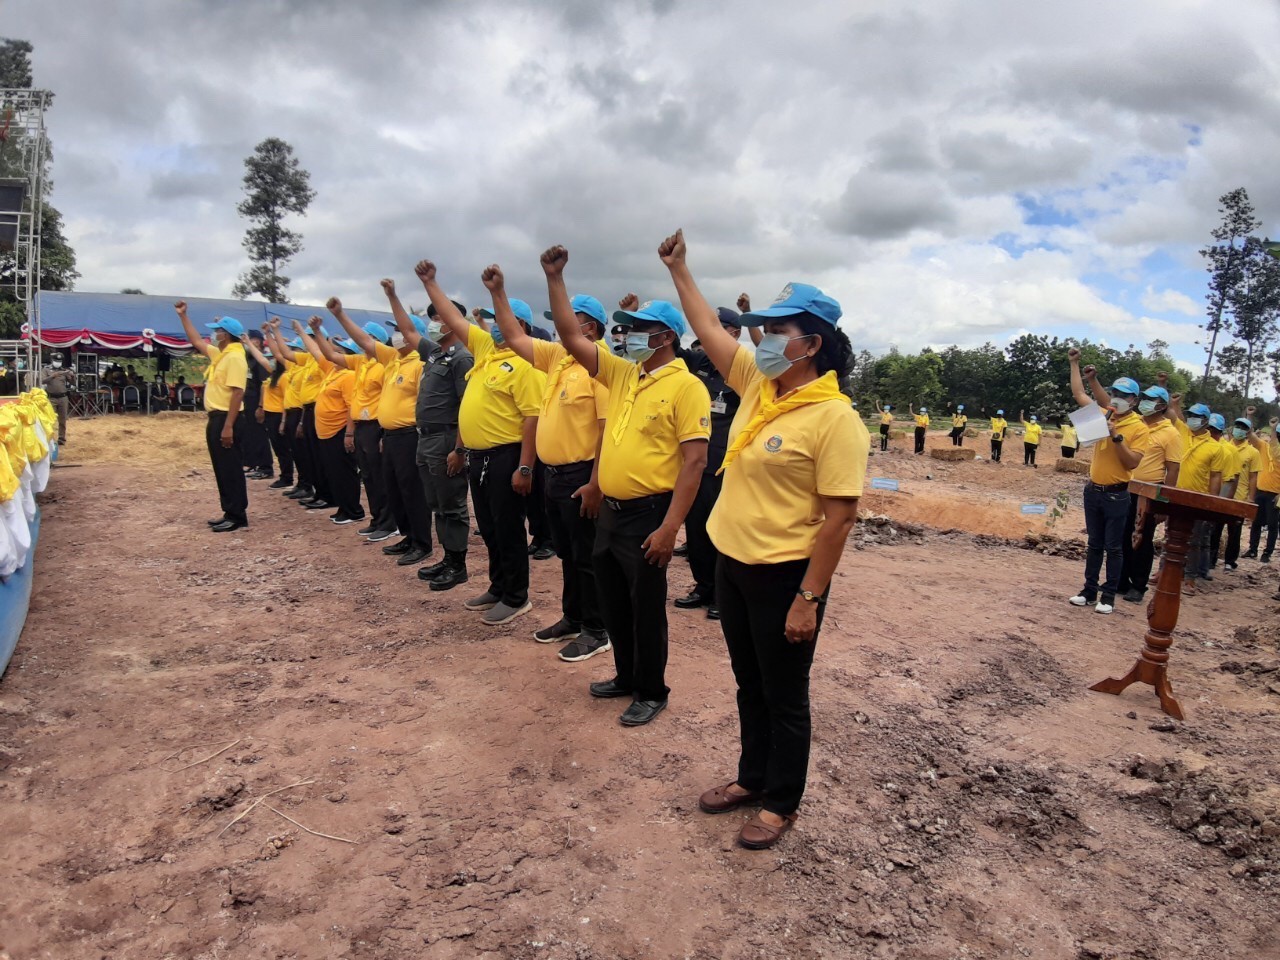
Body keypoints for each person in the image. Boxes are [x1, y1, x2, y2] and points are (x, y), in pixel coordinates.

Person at [662, 229, 867, 850]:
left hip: (785, 577)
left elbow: (839, 519)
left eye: (779, 331)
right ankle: (752, 778)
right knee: (748, 683)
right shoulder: (759, 384)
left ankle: (782, 802)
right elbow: (711, 329)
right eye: (766, 330)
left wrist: (809, 598)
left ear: (812, 344)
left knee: (784, 694)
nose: (767, 340)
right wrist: (679, 270)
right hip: (733, 564)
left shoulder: (835, 419)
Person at [545, 242, 710, 727]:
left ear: (665, 337)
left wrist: (671, 528)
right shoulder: (623, 374)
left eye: (637, 329)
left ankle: (651, 689)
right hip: (611, 512)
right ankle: (625, 675)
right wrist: (556, 279)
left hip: (649, 515)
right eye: (626, 328)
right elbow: (571, 337)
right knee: (615, 601)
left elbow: (695, 462)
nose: (626, 335)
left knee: (645, 608)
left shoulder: (687, 386)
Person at [488, 267, 612, 658]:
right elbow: (514, 336)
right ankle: (573, 618)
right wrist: (498, 292)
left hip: (582, 475)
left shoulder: (601, 366)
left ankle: (597, 629)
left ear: (590, 328)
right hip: (554, 476)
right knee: (568, 554)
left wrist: (596, 482)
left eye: (569, 320)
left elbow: (607, 429)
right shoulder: (558, 359)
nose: (560, 327)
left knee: (587, 556)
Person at [418, 260, 546, 625]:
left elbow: (532, 418)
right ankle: (498, 585)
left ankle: (517, 596)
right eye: (491, 319)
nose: (494, 325)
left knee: (508, 528)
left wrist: (525, 467)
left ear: (521, 326)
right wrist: (431, 283)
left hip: (507, 457)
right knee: (489, 527)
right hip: (480, 457)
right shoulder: (488, 350)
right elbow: (453, 319)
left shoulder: (528, 363)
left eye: (502, 319)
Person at [360, 282, 473, 590]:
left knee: (452, 504)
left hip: (446, 439)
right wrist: (392, 296)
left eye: (439, 318)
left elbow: (466, 406)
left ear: (454, 322)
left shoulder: (462, 358)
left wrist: (460, 449)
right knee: (436, 502)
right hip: (425, 439)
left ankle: (458, 565)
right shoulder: (434, 353)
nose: (434, 323)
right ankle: (448, 558)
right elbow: (409, 330)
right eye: (432, 318)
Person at [329, 293, 430, 564]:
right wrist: (339, 315)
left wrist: (392, 294)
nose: (396, 335)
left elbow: (424, 405)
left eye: (400, 330)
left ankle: (422, 543)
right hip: (390, 435)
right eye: (395, 330)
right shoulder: (393, 359)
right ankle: (408, 536)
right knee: (394, 489)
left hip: (410, 435)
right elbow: (364, 341)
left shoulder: (421, 363)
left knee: (412, 490)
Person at [673, 304, 743, 622]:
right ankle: (703, 587)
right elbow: (671, 348)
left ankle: (722, 595)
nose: (708, 334)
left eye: (717, 327)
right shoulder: (700, 362)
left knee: (721, 532)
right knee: (696, 529)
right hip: (695, 463)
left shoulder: (743, 371)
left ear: (734, 333)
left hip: (725, 466)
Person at [1066, 351, 1150, 613]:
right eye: (1115, 393)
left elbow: (1132, 463)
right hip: (1094, 490)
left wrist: (1117, 438)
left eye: (1124, 395)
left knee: (1114, 548)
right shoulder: (1105, 414)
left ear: (1134, 400)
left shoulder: (1139, 427)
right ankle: (1089, 590)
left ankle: (1108, 596)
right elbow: (1079, 394)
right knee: (1094, 544)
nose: (1117, 398)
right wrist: (1074, 364)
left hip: (1117, 494)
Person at [174, 302, 248, 532]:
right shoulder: (223, 355)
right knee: (222, 468)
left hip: (227, 418)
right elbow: (197, 341)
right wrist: (183, 316)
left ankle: (237, 515)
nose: (214, 335)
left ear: (226, 335)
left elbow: (238, 392)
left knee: (231, 468)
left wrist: (228, 426)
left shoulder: (235, 358)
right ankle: (229, 511)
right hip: (217, 417)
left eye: (217, 331)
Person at [321, 309, 395, 538]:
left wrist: (383, 433)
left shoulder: (384, 364)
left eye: (366, 336)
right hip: (361, 426)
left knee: (380, 476)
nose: (360, 340)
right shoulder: (361, 362)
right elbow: (331, 355)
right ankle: (377, 518)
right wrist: (317, 331)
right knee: (368, 476)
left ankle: (389, 523)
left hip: (375, 426)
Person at [1115, 384, 1182, 603]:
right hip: (1127, 486)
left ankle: (1138, 585)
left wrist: (1165, 501)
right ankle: (1121, 580)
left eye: (1150, 400)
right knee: (1122, 536)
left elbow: (1173, 469)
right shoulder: (1137, 424)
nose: (1145, 402)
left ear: (1161, 406)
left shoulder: (1170, 433)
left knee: (1141, 539)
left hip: (1149, 492)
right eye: (1144, 398)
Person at [1171, 402, 1230, 593]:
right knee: (1170, 536)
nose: (1192, 419)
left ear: (1205, 420)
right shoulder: (1183, 433)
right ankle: (1165, 571)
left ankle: (1190, 577)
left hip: (1198, 498)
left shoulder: (1215, 447)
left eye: (1196, 416)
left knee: (1194, 540)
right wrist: (1174, 402)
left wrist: (1212, 502)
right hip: (1176, 494)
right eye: (1190, 415)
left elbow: (1215, 476)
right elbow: (1173, 415)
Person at [242, 334, 294, 490]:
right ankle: (285, 476)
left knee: (283, 449)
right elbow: (261, 358)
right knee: (277, 448)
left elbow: (286, 400)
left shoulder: (284, 377)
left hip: (279, 415)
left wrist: (283, 421)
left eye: (273, 358)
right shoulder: (273, 373)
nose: (270, 360)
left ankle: (287, 477)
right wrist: (248, 342)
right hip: (270, 414)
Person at [1221, 416, 1262, 570]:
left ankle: (1230, 561)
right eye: (1237, 426)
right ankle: (1211, 559)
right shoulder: (1223, 446)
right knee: (1216, 528)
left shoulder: (1253, 452)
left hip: (1240, 496)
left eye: (1243, 428)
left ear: (1248, 432)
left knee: (1235, 530)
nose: (1239, 430)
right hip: (1222, 493)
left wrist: (1251, 498)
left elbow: (1253, 477)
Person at [1242, 410, 1280, 563]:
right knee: (1256, 522)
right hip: (1260, 490)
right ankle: (1252, 550)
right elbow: (1250, 435)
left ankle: (1267, 553)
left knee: (1272, 525)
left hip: (1275, 494)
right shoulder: (1264, 446)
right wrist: (1249, 416)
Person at [240, 329, 275, 480]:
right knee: (250, 433)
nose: (248, 342)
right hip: (247, 399)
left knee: (260, 433)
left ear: (258, 342)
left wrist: (261, 406)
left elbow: (264, 384)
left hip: (256, 399)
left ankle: (266, 467)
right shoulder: (248, 358)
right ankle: (253, 463)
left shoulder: (262, 360)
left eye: (251, 339)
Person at [40, 355, 74, 444]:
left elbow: (73, 383)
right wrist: (53, 376)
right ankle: (50, 439)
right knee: (50, 419)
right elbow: (42, 381)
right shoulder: (46, 369)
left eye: (60, 361)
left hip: (63, 397)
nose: (58, 363)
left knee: (63, 419)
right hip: (51, 398)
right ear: (52, 360)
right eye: (56, 361)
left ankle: (61, 438)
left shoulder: (64, 370)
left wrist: (72, 376)